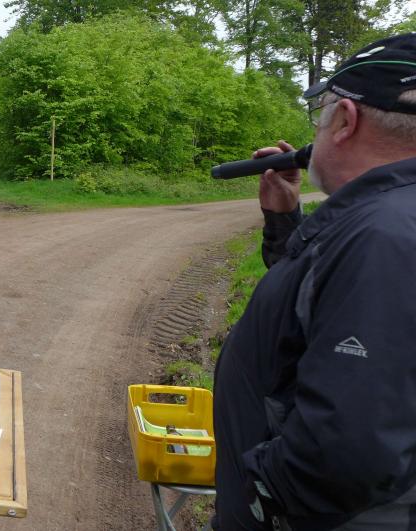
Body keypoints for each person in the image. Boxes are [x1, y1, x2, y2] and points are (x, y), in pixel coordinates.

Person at [213, 33, 416, 530]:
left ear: (345, 120)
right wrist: (285, 221)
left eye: (320, 114)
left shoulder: (385, 236)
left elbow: (350, 447)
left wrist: (260, 495)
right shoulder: (387, 220)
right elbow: (319, 311)